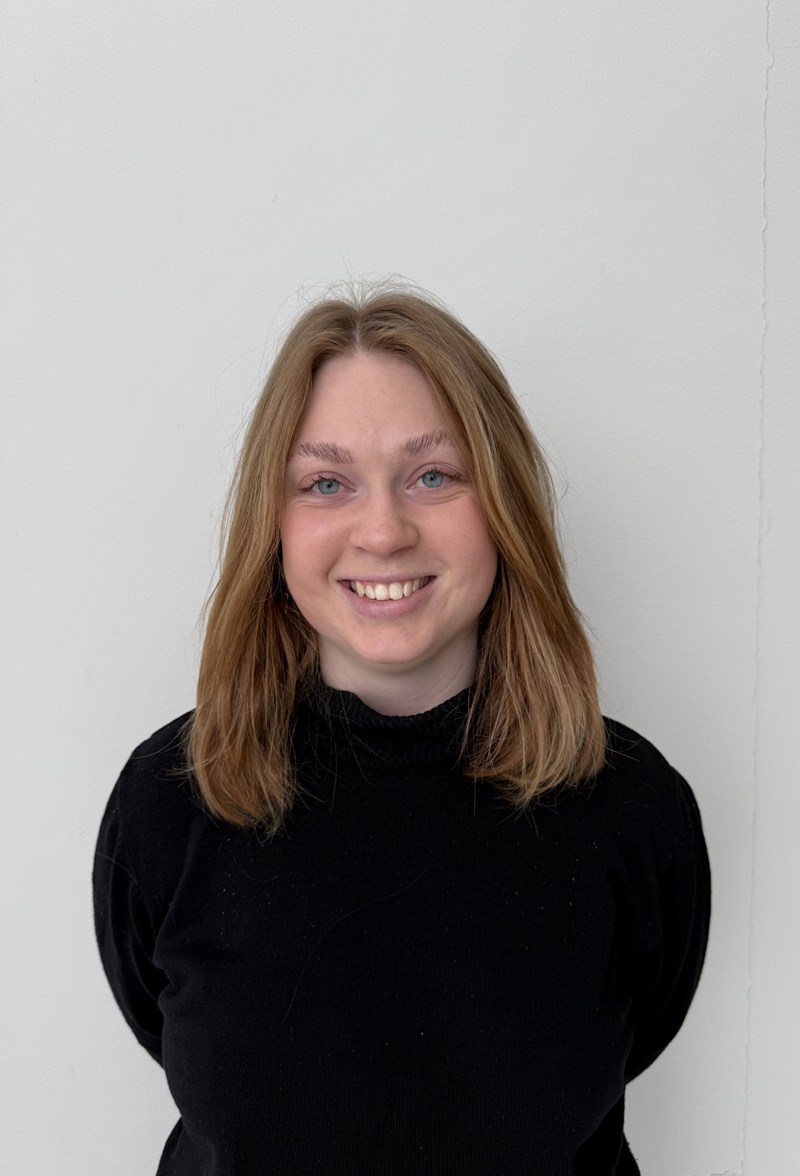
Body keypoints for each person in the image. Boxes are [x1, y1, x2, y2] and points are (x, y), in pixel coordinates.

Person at [94, 285, 710, 1176]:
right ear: (274, 523)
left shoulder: (631, 804)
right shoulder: (172, 797)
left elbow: (643, 1027)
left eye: (434, 475)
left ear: (504, 506)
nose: (382, 532)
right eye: (326, 483)